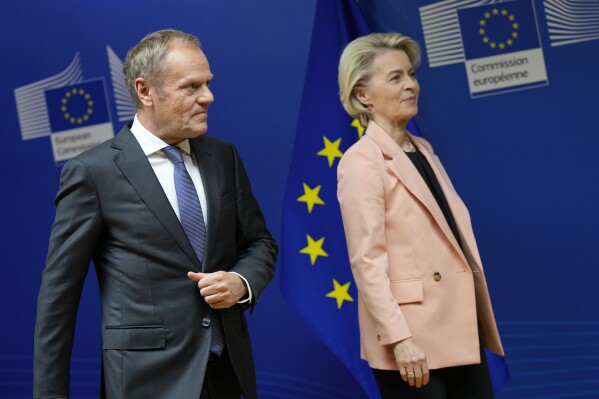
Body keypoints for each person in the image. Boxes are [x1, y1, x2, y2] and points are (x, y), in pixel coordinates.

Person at [33, 29, 278, 399]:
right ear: (145, 91)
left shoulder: (223, 156)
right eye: (191, 86)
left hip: (228, 375)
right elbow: (58, 299)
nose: (208, 97)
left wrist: (241, 282)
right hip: (146, 382)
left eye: (208, 83)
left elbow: (259, 243)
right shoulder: (93, 172)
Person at [336, 32, 504, 399]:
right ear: (362, 95)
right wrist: (400, 339)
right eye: (395, 77)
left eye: (411, 74)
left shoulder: (423, 149)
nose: (411, 85)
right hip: (412, 341)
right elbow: (367, 262)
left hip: (458, 325)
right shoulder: (361, 162)